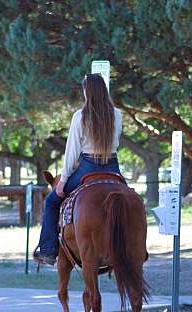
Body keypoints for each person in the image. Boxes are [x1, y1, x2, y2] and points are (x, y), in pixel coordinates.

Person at [33, 73, 123, 265]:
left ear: (86, 92)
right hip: (113, 167)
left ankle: (48, 250)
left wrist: (64, 180)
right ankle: (137, 249)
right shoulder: (117, 114)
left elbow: (72, 151)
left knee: (51, 202)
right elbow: (116, 143)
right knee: (129, 201)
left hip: (88, 167)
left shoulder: (80, 116)